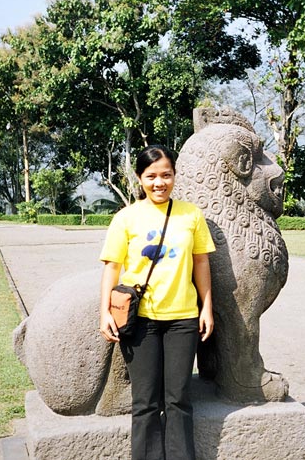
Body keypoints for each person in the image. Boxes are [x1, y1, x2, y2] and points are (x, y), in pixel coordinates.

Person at [99, 144, 215, 460]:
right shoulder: (126, 218)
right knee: (145, 402)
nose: (159, 182)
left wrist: (206, 307)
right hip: (141, 322)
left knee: (178, 399)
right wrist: (104, 312)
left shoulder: (191, 215)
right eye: (151, 176)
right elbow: (112, 266)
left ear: (175, 176)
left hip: (183, 319)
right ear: (140, 178)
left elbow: (201, 262)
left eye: (166, 175)